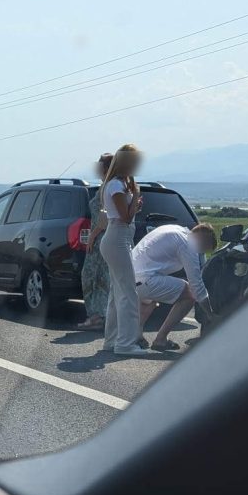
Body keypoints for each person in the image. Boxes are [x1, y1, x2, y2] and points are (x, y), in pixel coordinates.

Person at [132, 223, 217, 351]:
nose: (200, 253)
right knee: (189, 294)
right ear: (203, 241)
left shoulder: (174, 229)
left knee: (152, 297)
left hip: (131, 277)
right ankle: (161, 339)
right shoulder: (189, 244)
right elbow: (196, 285)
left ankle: (135, 336)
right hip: (144, 279)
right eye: (203, 250)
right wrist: (210, 314)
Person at [99, 144, 149, 356]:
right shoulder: (116, 186)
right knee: (128, 292)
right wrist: (135, 200)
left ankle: (112, 340)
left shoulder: (117, 184)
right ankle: (126, 344)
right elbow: (125, 217)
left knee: (116, 292)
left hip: (119, 239)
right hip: (117, 238)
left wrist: (134, 201)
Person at [76, 153, 114, 331]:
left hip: (100, 239)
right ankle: (101, 315)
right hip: (105, 238)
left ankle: (96, 316)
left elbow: (104, 216)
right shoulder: (108, 186)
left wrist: (92, 236)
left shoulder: (107, 187)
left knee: (91, 276)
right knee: (100, 277)